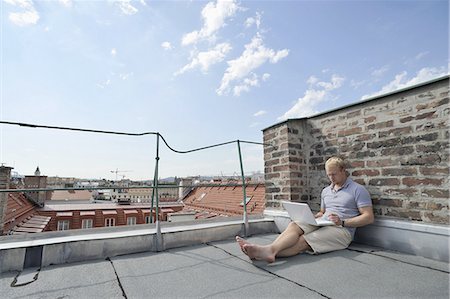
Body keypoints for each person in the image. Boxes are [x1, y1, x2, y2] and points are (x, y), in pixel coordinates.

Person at [236, 156, 374, 263]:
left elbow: (368, 217)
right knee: (294, 225)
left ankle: (263, 252)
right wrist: (310, 217)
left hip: (342, 230)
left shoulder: (357, 190)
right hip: (323, 223)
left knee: (304, 240)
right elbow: (322, 212)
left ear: (344, 171)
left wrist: (343, 222)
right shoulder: (326, 191)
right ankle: (268, 251)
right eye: (328, 175)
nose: (331, 178)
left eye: (334, 174)